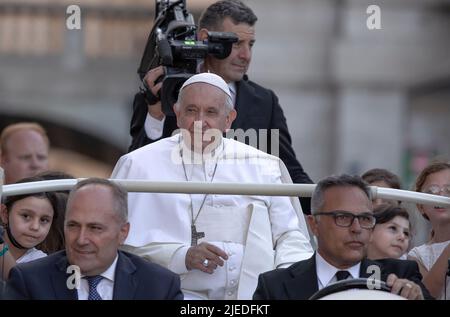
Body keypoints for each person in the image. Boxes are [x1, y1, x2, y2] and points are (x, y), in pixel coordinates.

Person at [111, 72, 313, 300]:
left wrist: (283, 283)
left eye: (211, 112)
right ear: (177, 114)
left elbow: (290, 237)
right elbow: (117, 247)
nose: (200, 122)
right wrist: (181, 256)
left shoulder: (263, 166)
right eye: (191, 110)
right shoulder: (138, 166)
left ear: (228, 119)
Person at [129, 0, 313, 212]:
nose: (246, 55)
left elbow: (289, 174)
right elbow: (137, 170)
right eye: (236, 44)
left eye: (250, 45)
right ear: (205, 39)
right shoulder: (162, 91)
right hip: (174, 223)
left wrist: (331, 205)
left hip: (245, 232)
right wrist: (155, 114)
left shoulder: (265, 102)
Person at [253, 174, 432, 300]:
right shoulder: (274, 286)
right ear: (314, 224)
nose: (356, 228)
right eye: (343, 217)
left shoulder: (401, 277)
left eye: (365, 219)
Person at [6, 178, 183, 300]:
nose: (81, 239)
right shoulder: (29, 280)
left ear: (123, 232)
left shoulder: (159, 286)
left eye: (95, 228)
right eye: (73, 226)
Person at [0, 176, 59, 280]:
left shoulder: (42, 264)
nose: (35, 227)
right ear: (5, 214)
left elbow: (18, 286)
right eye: (26, 216)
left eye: (44, 220)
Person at [408, 161, 450, 300]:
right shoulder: (418, 255)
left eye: (449, 190)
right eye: (431, 191)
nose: (440, 195)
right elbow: (428, 294)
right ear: (421, 206)